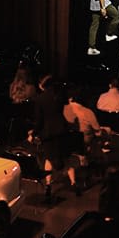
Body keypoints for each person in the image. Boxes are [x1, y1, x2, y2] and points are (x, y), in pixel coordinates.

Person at [33, 73, 75, 201]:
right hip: (62, 130)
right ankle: (74, 183)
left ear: (42, 85)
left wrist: (34, 133)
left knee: (49, 158)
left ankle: (48, 185)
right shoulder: (60, 95)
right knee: (65, 157)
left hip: (48, 133)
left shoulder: (40, 99)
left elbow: (39, 121)